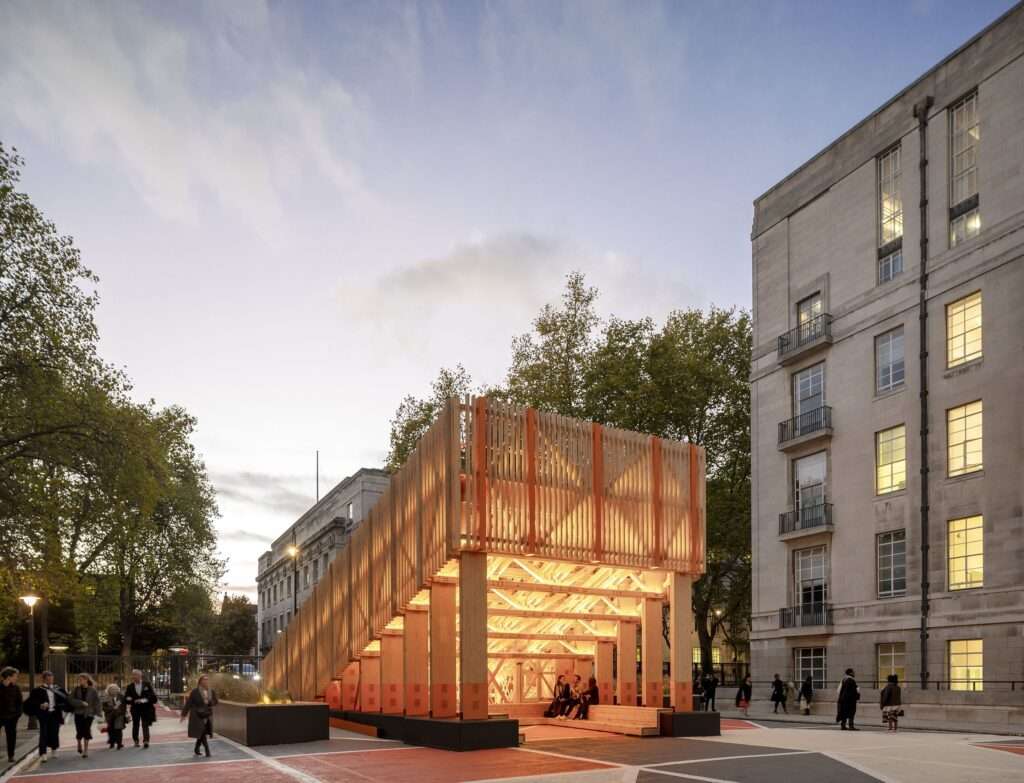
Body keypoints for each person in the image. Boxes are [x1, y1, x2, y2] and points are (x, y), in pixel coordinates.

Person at [23, 671, 70, 764]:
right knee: (43, 734)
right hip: (44, 715)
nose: (50, 680)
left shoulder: (58, 689)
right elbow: (31, 702)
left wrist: (61, 706)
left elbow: (66, 699)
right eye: (48, 679)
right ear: (43, 679)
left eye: (51, 678)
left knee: (54, 732)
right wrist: (40, 705)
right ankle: (43, 753)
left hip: (55, 714)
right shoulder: (37, 690)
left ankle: (54, 749)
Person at [180, 674, 218, 757]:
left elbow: (216, 701)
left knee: (201, 732)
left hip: (207, 714)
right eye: (204, 679)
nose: (206, 681)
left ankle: (196, 748)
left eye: (207, 679)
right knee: (202, 731)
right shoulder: (195, 692)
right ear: (200, 681)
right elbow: (188, 704)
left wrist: (210, 702)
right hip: (197, 715)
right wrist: (183, 714)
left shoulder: (211, 691)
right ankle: (207, 750)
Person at [70, 674, 102, 758]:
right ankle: (79, 743)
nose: (80, 681)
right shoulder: (76, 689)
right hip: (78, 713)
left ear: (86, 680)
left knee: (86, 730)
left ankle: (86, 750)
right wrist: (80, 703)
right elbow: (70, 699)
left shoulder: (93, 690)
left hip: (89, 714)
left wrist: (99, 713)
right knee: (79, 730)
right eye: (79, 680)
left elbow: (97, 702)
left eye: (81, 679)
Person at [124, 669, 157, 748]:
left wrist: (143, 700)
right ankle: (136, 741)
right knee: (136, 725)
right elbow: (126, 697)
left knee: (145, 725)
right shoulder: (130, 686)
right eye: (133, 675)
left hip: (146, 708)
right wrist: (132, 700)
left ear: (140, 676)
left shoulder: (147, 685)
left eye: (136, 675)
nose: (134, 676)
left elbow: (152, 696)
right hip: (135, 709)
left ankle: (146, 741)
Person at [1, 667, 23, 764]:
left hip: (12, 717)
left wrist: (17, 714)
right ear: (8, 677)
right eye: (15, 676)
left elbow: (20, 702)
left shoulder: (16, 688)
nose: (16, 678)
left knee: (11, 736)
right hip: (0, 716)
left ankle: (11, 756)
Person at [102, 684, 127, 750]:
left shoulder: (121, 696)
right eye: (111, 689)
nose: (113, 691)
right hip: (110, 715)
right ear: (109, 691)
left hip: (119, 715)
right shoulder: (106, 697)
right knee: (111, 730)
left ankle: (119, 743)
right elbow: (104, 708)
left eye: (115, 689)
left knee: (118, 729)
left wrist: (122, 712)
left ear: (117, 690)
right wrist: (112, 708)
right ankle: (112, 743)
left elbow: (124, 706)